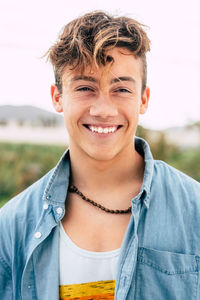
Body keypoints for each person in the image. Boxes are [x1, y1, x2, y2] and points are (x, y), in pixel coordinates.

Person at [0, 11, 200, 300]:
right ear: (58, 97)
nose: (103, 110)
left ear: (143, 99)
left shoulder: (194, 211)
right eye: (85, 88)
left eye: (121, 89)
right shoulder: (12, 227)